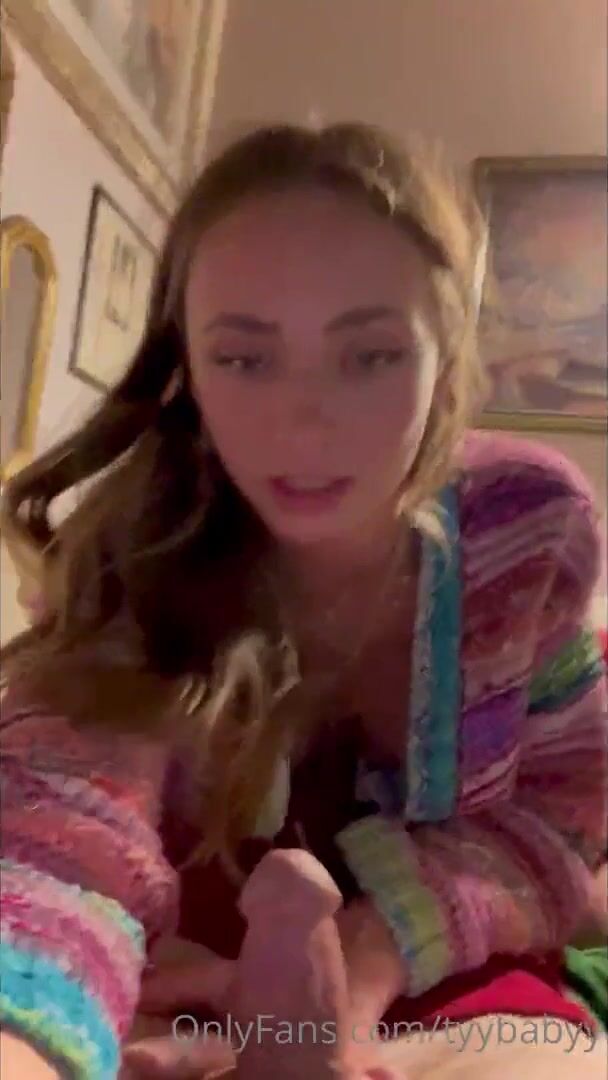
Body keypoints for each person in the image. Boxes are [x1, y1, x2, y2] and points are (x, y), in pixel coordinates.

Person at [0, 123, 606, 1080]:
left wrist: (358, 974)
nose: (306, 423)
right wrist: (32, 1037)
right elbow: (59, 848)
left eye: (370, 356)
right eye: (245, 359)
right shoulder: (126, 555)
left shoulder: (528, 530)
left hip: (443, 974)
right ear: (189, 372)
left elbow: (565, 810)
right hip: (177, 974)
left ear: (445, 360)